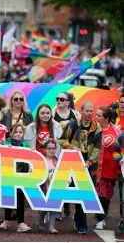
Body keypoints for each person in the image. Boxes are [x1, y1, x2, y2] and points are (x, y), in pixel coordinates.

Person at [59, 101, 102, 235]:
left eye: (91, 111)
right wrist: (72, 147)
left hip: (90, 165)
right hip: (74, 163)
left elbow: (97, 148)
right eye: (87, 111)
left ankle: (79, 220)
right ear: (81, 111)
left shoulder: (97, 127)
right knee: (78, 194)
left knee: (86, 194)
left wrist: (89, 161)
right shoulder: (73, 124)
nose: (89, 113)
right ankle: (81, 223)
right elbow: (62, 140)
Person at [0, 124, 31, 233]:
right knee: (8, 196)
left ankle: (21, 223)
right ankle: (7, 220)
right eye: (16, 132)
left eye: (20, 132)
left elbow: (31, 159)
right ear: (11, 133)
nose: (18, 134)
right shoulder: (5, 143)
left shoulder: (26, 144)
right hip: (8, 175)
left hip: (21, 176)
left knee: (20, 199)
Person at [53, 92, 80, 218]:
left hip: (71, 150)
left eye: (62, 99)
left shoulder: (75, 115)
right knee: (56, 178)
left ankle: (67, 203)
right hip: (56, 151)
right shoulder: (52, 113)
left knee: (71, 179)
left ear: (68, 102)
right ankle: (57, 208)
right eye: (57, 98)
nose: (58, 101)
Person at [95, 107, 121, 230]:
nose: (96, 117)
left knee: (107, 194)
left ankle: (103, 213)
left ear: (106, 118)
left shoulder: (116, 130)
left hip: (111, 168)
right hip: (97, 167)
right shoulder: (94, 128)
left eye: (99, 115)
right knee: (99, 192)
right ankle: (100, 218)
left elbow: (120, 148)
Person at [37, 138, 59, 234]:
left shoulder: (58, 161)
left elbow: (64, 172)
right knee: (43, 209)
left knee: (54, 207)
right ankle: (41, 221)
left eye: (53, 148)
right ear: (44, 149)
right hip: (43, 188)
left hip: (54, 188)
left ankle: (51, 226)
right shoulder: (41, 160)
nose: (51, 150)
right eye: (49, 148)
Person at [113, 131, 124, 232]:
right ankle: (122, 219)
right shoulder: (121, 136)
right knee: (123, 199)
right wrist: (119, 159)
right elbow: (115, 150)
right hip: (122, 172)